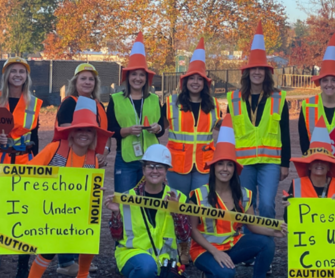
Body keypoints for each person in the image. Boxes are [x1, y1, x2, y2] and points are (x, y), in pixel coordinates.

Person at [0, 96, 111, 278]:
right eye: (80, 128)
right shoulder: (55, 148)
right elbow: (25, 174)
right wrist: (0, 189)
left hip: (74, 212)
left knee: (89, 234)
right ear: (71, 131)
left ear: (94, 135)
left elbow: (87, 189)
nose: (84, 133)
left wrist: (97, 192)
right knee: (49, 248)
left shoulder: (94, 158)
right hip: (48, 212)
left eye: (89, 130)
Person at [189, 113, 285, 278]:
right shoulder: (198, 195)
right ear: (213, 168)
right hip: (204, 249)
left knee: (266, 242)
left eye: (230, 164)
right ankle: (208, 277)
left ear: (235, 169)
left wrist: (274, 232)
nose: (225, 169)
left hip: (232, 245)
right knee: (225, 275)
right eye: (221, 164)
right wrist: (215, 252)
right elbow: (192, 230)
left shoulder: (244, 194)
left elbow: (253, 226)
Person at [106, 144, 191, 278]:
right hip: (133, 256)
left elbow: (184, 236)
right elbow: (116, 236)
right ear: (143, 170)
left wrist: (176, 212)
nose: (154, 171)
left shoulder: (177, 198)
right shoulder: (127, 197)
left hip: (163, 264)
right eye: (150, 166)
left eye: (159, 167)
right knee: (146, 267)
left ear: (166, 171)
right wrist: (115, 214)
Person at [0, 57, 42, 278]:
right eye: (13, 71)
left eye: (22, 72)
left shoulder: (34, 103)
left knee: (23, 213)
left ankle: (22, 267)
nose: (17, 75)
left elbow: (34, 137)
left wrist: (34, 159)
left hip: (25, 164)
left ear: (27, 76)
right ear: (6, 76)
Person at [227, 23, 291, 219]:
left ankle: (267, 244)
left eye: (261, 69)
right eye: (253, 68)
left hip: (270, 162)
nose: (257, 72)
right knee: (246, 205)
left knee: (265, 205)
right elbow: (229, 133)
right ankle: (249, 241)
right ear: (247, 72)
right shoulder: (234, 98)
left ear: (266, 72)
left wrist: (284, 164)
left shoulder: (278, 99)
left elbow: (285, 133)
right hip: (243, 162)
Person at [284, 116, 335, 278]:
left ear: (329, 165)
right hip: (309, 237)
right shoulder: (296, 185)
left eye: (323, 160)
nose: (319, 164)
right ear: (309, 164)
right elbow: (290, 221)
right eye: (315, 160)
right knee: (310, 272)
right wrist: (288, 207)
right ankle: (313, 270)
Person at [53, 63, 110, 276]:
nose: (87, 82)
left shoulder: (99, 105)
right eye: (83, 78)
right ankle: (65, 261)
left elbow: (103, 134)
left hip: (92, 163)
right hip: (71, 162)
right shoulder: (70, 103)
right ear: (75, 82)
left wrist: (103, 153)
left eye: (91, 79)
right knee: (67, 210)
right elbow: (68, 133)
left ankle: (77, 257)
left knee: (84, 211)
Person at [107, 32, 167, 194]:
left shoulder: (154, 99)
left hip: (151, 160)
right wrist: (126, 131)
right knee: (125, 200)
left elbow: (161, 127)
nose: (138, 78)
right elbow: (110, 128)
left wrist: (157, 128)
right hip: (125, 158)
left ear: (146, 78)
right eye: (134, 74)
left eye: (142, 75)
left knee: (150, 200)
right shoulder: (116, 99)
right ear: (128, 77)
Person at [165, 38, 221, 196]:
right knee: (179, 204)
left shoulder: (213, 104)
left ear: (205, 83)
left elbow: (217, 125)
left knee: (199, 204)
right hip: (177, 164)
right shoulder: (171, 102)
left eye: (199, 79)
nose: (195, 82)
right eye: (192, 78)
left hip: (204, 164)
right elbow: (159, 128)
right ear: (185, 81)